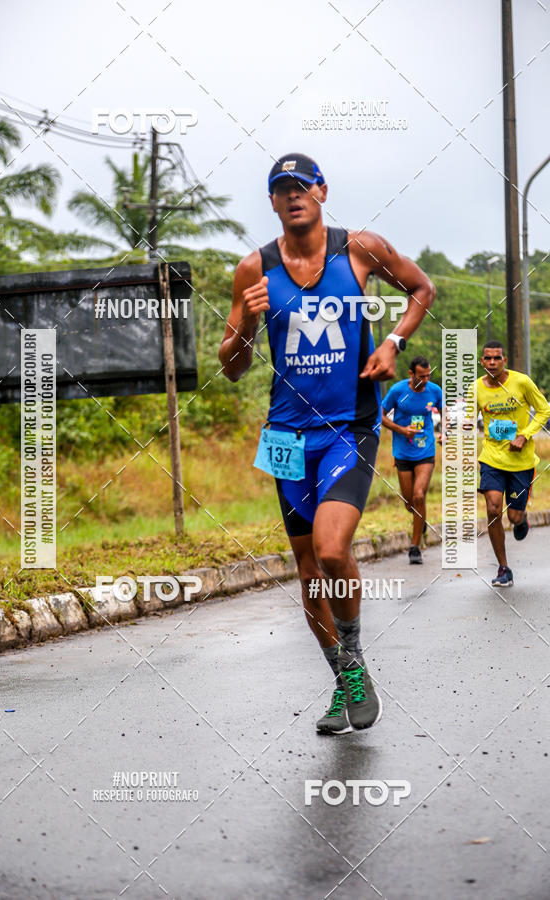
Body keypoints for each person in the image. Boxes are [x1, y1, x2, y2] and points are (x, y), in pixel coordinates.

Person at [218, 152, 435, 734]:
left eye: (301, 186)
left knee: (333, 549)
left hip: (350, 425)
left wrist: (391, 342)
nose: (292, 196)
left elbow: (421, 288)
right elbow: (232, 366)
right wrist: (245, 321)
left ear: (321, 190)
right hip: (286, 435)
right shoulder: (253, 269)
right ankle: (343, 682)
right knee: (309, 570)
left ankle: (355, 663)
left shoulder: (359, 248)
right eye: (280, 189)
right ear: (271, 201)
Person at [475, 340, 550, 587]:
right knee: (494, 508)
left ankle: (521, 518)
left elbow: (544, 410)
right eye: (488, 358)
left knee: (514, 516)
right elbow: (466, 418)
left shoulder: (522, 382)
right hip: (492, 458)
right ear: (482, 361)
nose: (492, 363)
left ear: (504, 360)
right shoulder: (476, 388)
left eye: (497, 358)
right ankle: (503, 567)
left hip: (520, 461)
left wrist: (524, 434)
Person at [381, 356, 444, 564]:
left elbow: (446, 414)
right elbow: (379, 416)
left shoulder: (434, 391)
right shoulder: (398, 391)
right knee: (409, 503)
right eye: (421, 376)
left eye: (428, 376)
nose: (425, 380)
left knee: (419, 496)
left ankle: (415, 547)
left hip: (425, 451)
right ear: (411, 374)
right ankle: (420, 519)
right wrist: (401, 430)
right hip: (402, 453)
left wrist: (444, 431)